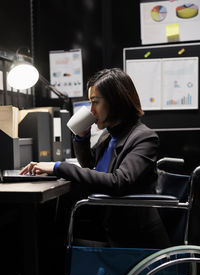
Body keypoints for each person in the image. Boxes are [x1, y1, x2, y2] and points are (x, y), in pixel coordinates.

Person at [20, 68, 170, 249]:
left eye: (95, 103)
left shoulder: (144, 138)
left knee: (53, 240)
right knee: (48, 227)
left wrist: (58, 167)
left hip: (128, 235)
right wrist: (81, 138)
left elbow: (118, 181)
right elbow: (92, 166)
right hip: (106, 220)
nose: (91, 111)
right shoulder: (108, 136)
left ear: (116, 102)